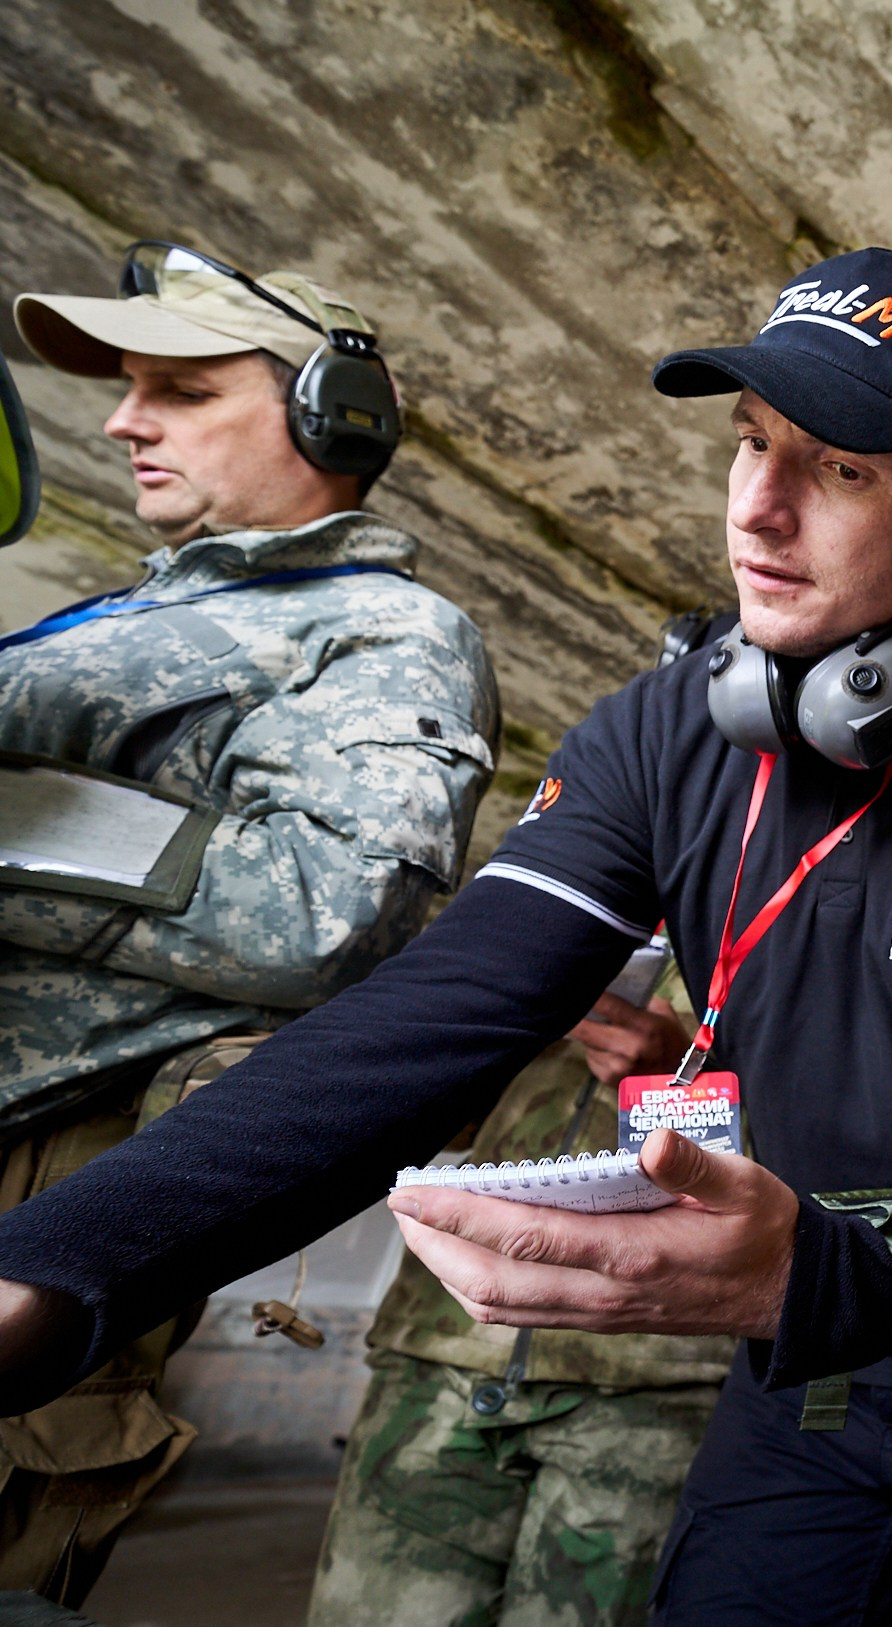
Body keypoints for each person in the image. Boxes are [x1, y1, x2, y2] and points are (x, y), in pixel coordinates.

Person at [0, 246, 892, 1625]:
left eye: (841, 468)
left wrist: (814, 1269)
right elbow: (435, 1016)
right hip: (798, 1371)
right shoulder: (667, 727)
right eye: (751, 444)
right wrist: (58, 1258)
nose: (759, 506)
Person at [0, 247, 497, 1606]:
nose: (121, 417)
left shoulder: (380, 629)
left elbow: (332, 908)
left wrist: (19, 833)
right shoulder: (112, 611)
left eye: (182, 387)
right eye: (128, 388)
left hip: (50, 1162)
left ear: (329, 415)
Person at [311, 618, 733, 1627]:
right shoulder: (567, 864)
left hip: (650, 1370)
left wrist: (697, 1056)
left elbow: (866, 1127)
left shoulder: (828, 892)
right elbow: (437, 1108)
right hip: (445, 1343)